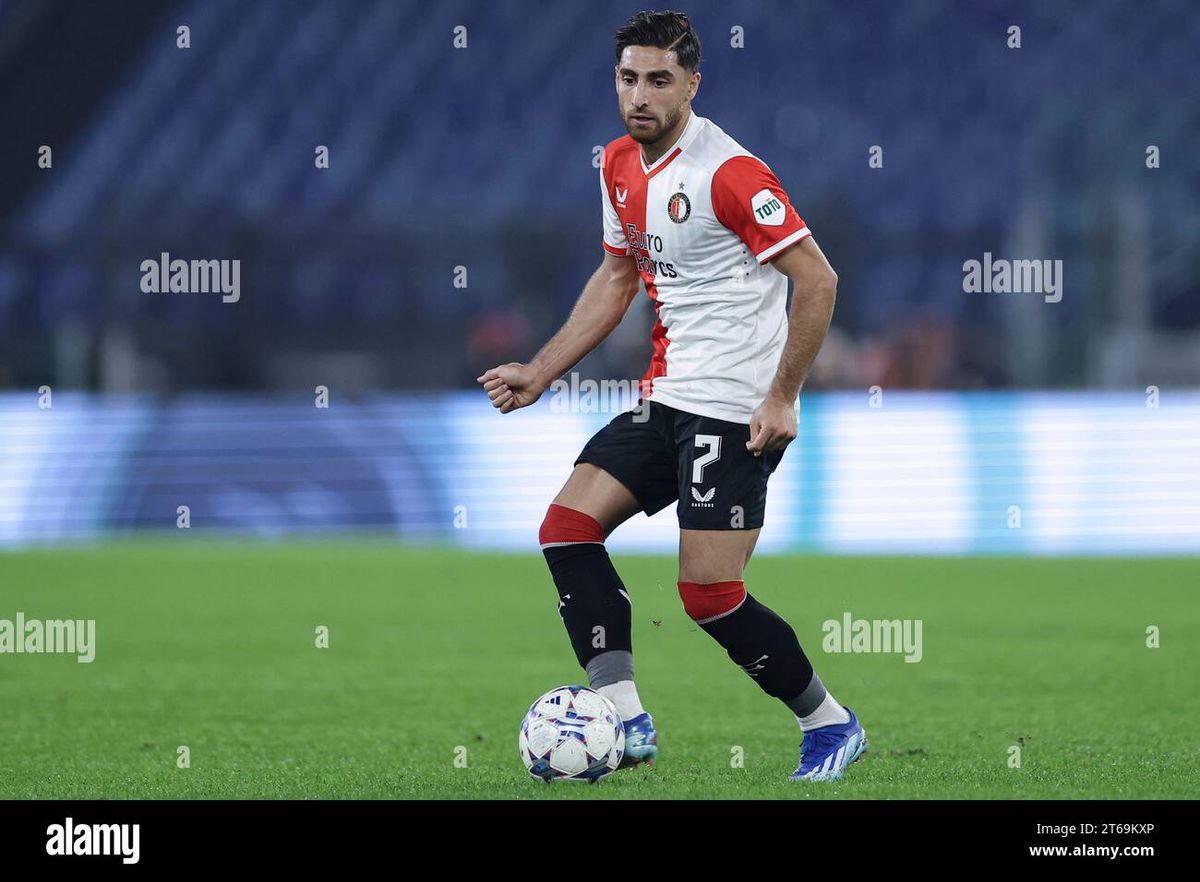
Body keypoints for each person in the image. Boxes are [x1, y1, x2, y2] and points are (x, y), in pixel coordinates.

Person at [478, 10, 866, 781]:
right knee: (566, 528)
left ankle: (830, 723)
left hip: (734, 408)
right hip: (665, 397)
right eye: (629, 78)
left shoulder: (729, 173)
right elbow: (618, 277)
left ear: (692, 83)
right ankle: (625, 718)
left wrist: (783, 396)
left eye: (659, 79)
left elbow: (817, 278)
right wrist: (542, 369)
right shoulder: (618, 163)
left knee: (710, 594)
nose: (641, 96)